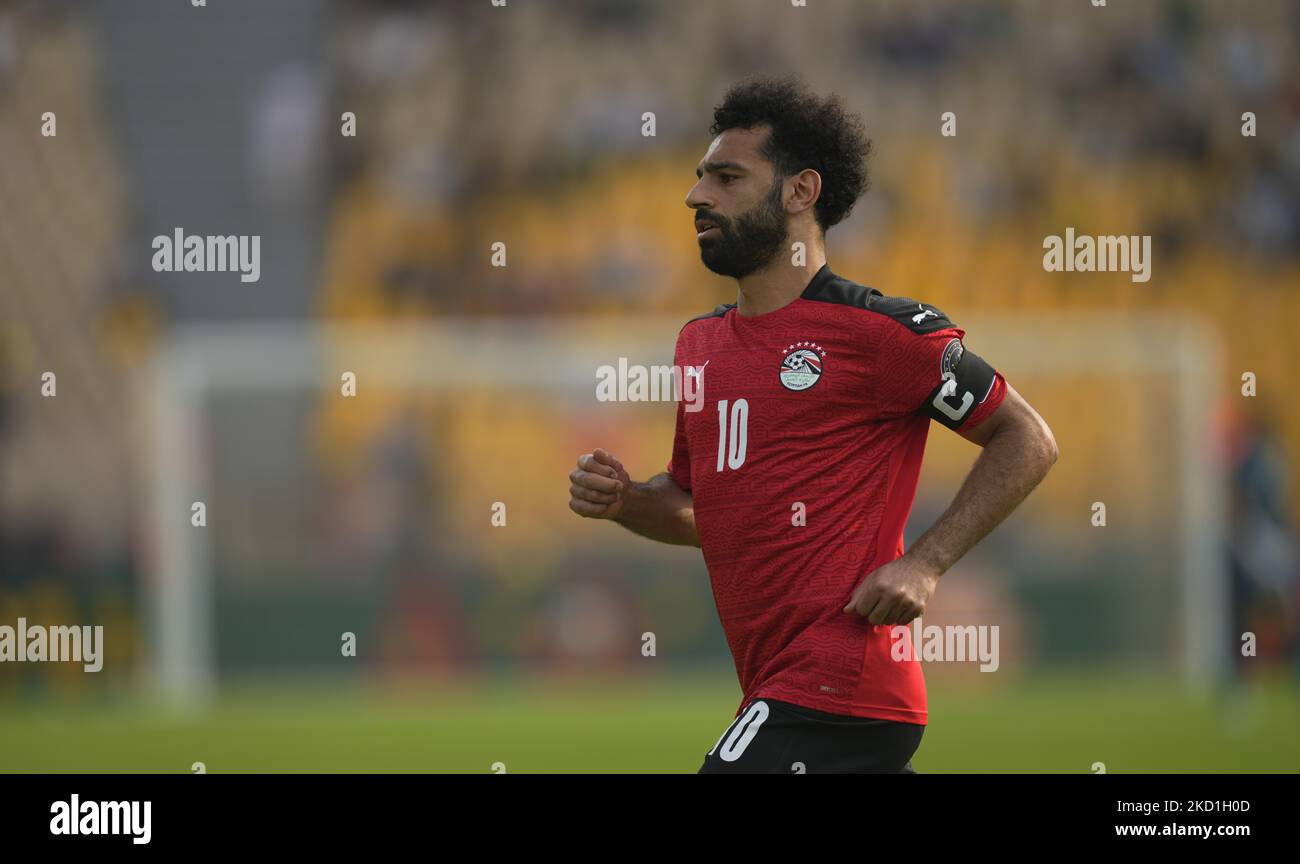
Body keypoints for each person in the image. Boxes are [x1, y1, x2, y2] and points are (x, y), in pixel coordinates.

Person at [569, 76, 1057, 773]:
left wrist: (925, 563)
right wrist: (627, 503)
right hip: (782, 685)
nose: (696, 196)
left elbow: (1029, 438)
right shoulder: (698, 346)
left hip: (840, 683)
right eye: (700, 176)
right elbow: (701, 515)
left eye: (727, 177)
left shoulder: (881, 334)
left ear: (800, 192)